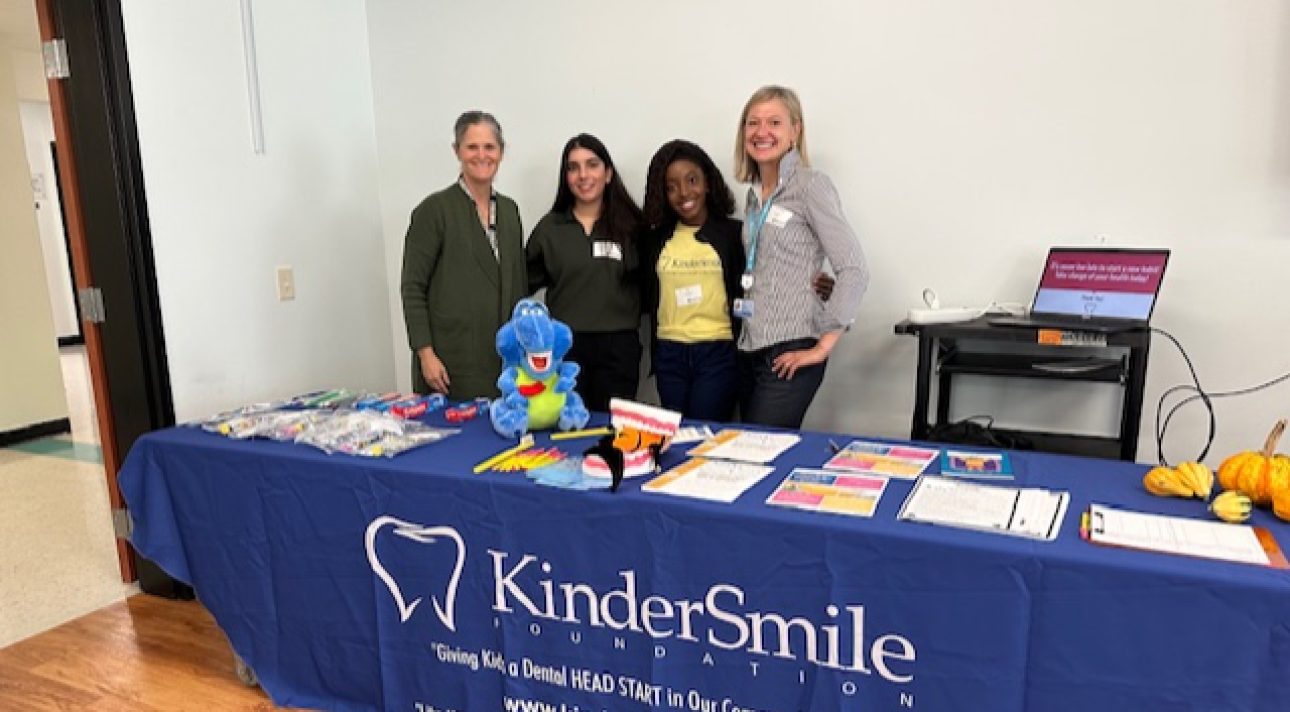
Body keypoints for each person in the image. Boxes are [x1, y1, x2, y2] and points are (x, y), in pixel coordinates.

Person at [732, 86, 869, 429]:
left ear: (795, 131)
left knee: (762, 448)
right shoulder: (753, 198)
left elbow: (854, 269)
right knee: (753, 456)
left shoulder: (810, 186)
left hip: (791, 348)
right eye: (753, 123)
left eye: (774, 122)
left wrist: (822, 347)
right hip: (751, 346)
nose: (761, 132)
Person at [400, 111, 527, 400]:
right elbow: (412, 288)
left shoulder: (509, 211)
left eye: (489, 147)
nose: (481, 155)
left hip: (502, 362)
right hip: (449, 363)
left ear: (501, 152)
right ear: (457, 151)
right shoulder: (434, 211)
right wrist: (425, 354)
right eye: (472, 147)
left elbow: (515, 283)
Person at [527, 134, 644, 413]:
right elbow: (522, 284)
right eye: (573, 167)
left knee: (611, 436)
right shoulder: (549, 229)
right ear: (565, 177)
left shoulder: (633, 226)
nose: (583, 175)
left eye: (592, 165)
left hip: (619, 349)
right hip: (565, 350)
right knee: (569, 430)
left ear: (608, 174)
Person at [639, 140, 745, 421]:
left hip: (717, 351)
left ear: (708, 183)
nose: (684, 193)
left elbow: (768, 276)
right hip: (669, 354)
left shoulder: (734, 235)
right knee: (677, 438)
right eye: (671, 186)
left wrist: (815, 283)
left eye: (692, 180)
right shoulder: (655, 240)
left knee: (704, 434)